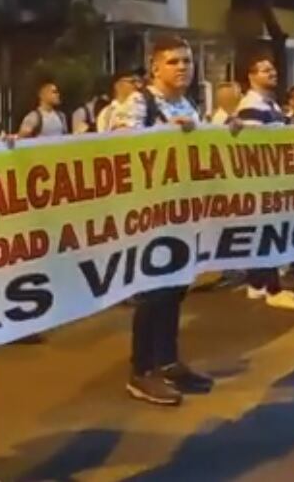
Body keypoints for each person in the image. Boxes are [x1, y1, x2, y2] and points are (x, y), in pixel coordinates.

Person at [127, 36, 213, 407]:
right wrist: (164, 133)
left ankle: (168, 360)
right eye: (174, 62)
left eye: (187, 62)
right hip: (150, 214)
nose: (183, 68)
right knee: (153, 293)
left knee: (176, 288)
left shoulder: (187, 104)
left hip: (184, 211)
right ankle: (141, 370)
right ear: (154, 66)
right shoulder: (138, 103)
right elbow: (115, 149)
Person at [235, 55, 294, 310]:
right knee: (267, 234)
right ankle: (271, 288)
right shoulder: (251, 106)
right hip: (263, 182)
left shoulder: (271, 106)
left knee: (268, 233)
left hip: (273, 180)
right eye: (265, 70)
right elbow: (255, 147)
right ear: (251, 76)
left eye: (273, 68)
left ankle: (259, 284)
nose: (273, 72)